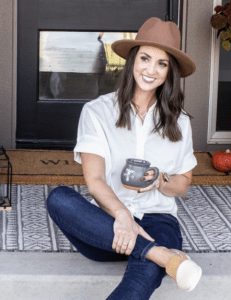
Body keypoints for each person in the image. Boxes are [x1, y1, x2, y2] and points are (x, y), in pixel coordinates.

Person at [47, 17, 202, 299]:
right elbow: (93, 180)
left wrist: (159, 180)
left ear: (169, 72)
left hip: (158, 221)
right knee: (58, 198)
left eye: (161, 63)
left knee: (143, 273)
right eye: (145, 58)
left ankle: (150, 253)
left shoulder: (180, 121)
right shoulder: (97, 112)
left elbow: (183, 185)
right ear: (132, 60)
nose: (150, 70)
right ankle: (162, 256)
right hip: (107, 228)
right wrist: (122, 216)